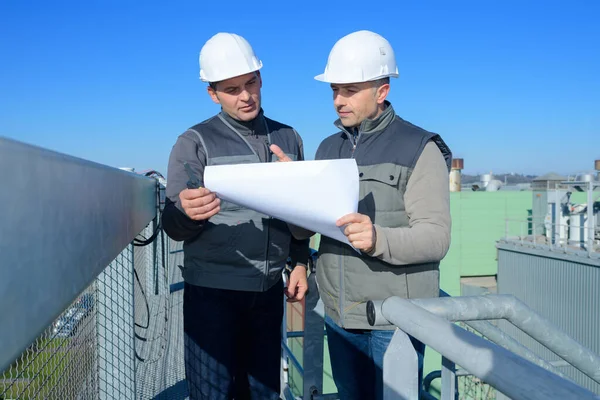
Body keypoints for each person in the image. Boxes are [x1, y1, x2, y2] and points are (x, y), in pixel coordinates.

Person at [300, 30, 453, 400]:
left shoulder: (419, 147)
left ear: (381, 91)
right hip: (339, 315)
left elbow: (436, 237)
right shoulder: (327, 147)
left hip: (393, 320)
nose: (338, 100)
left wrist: (378, 239)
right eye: (334, 89)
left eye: (349, 90)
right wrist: (293, 189)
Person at [161, 32, 310, 400]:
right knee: (214, 393)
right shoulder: (194, 141)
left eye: (251, 82)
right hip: (213, 294)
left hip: (269, 290)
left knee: (264, 393)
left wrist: (301, 263)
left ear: (260, 77)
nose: (246, 96)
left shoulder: (288, 137)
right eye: (232, 89)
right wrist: (187, 212)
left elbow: (306, 214)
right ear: (213, 93)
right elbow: (172, 226)